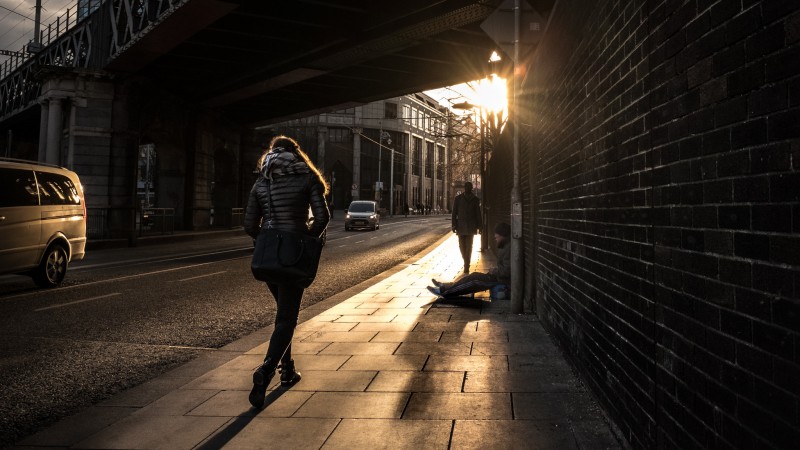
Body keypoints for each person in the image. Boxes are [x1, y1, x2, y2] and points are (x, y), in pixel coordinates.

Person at [243, 135, 330, 409]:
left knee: (283, 314)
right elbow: (323, 216)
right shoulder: (306, 176)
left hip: (268, 256)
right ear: (296, 153)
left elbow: (249, 224)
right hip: (293, 253)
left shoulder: (262, 181)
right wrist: (304, 241)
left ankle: (288, 369)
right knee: (287, 318)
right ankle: (267, 370)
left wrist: (265, 239)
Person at [428, 222, 511, 298]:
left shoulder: (508, 249)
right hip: (498, 277)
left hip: (501, 280)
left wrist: (494, 271)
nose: (495, 237)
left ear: (503, 235)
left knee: (474, 281)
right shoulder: (505, 246)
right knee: (472, 276)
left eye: (497, 235)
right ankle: (445, 286)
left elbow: (507, 272)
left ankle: (444, 292)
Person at [451, 181, 481, 273]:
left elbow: (478, 214)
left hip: (471, 227)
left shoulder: (475, 199)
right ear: (464, 188)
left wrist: (480, 226)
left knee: (469, 247)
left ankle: (466, 265)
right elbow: (454, 213)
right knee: (462, 247)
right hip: (461, 226)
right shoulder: (458, 199)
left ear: (471, 188)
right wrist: (454, 225)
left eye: (469, 187)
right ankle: (466, 260)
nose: (468, 188)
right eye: (466, 187)